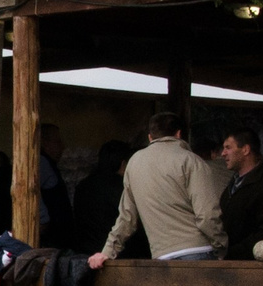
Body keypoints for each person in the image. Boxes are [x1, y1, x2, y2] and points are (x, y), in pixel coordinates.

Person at [88, 113, 225, 267]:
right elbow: (207, 214)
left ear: (150, 137)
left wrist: (107, 251)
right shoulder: (192, 161)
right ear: (179, 134)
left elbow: (127, 217)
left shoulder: (134, 163)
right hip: (198, 250)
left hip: (161, 256)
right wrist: (221, 246)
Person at [216, 125, 263, 260]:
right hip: (232, 263)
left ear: (245, 149)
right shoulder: (233, 185)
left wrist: (235, 252)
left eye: (228, 147)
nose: (223, 153)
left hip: (254, 266)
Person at [69, 139, 134, 257]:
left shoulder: (83, 185)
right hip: (114, 253)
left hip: (85, 253)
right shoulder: (121, 187)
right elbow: (129, 220)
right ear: (124, 164)